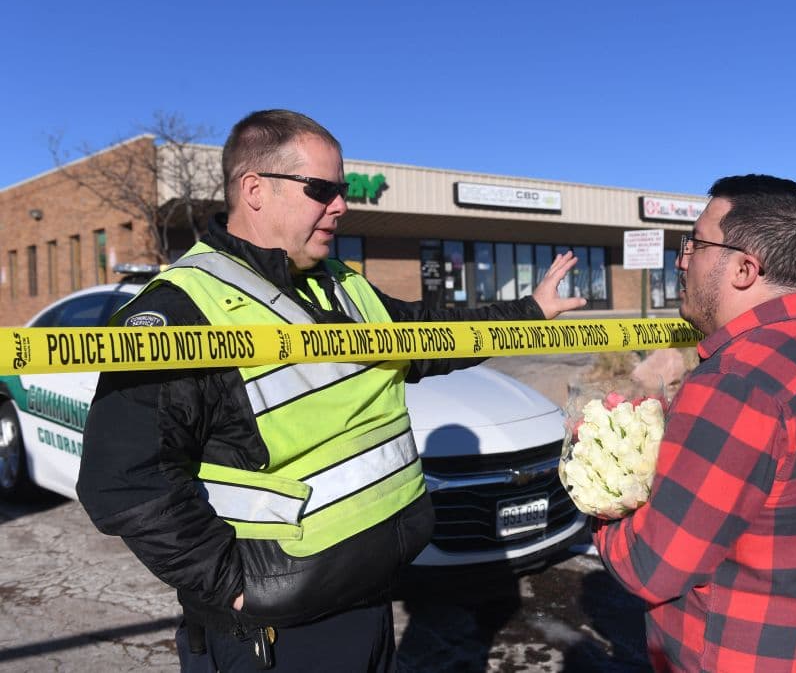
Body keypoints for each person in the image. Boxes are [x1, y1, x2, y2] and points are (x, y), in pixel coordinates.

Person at [77, 109, 586, 672]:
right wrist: (234, 587)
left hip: (370, 601)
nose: (341, 205)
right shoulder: (181, 310)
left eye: (342, 190)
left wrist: (530, 311)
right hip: (275, 635)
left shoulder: (343, 285)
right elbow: (123, 479)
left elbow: (436, 333)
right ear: (255, 190)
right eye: (322, 189)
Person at [593, 175, 796, 672]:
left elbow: (650, 566)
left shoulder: (736, 383)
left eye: (695, 243)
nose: (682, 260)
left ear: (743, 269)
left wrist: (602, 487)